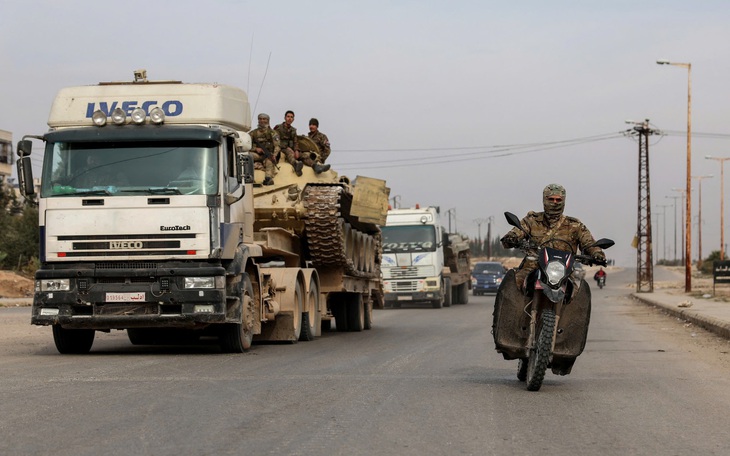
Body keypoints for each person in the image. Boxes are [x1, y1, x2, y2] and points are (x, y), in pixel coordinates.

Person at [500, 183, 606, 291]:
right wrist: (512, 238)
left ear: (563, 201)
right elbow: (517, 231)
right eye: (551, 199)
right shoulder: (532, 220)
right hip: (533, 266)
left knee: (576, 295)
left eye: (558, 200)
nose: (555, 202)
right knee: (512, 286)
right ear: (544, 199)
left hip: (563, 270)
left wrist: (597, 254)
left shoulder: (575, 225)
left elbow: (588, 243)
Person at [250, 113, 280, 185]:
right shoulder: (253, 133)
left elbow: (277, 146)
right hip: (257, 154)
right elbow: (247, 145)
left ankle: (268, 178)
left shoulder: (273, 133)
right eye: (260, 119)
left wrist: (274, 155)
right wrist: (255, 149)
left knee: (270, 162)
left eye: (264, 119)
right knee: (248, 156)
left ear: (268, 121)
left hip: (268, 155)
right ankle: (250, 178)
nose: (262, 121)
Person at [274, 110, 304, 176]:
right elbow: (276, 141)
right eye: (288, 116)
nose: (289, 118)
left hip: (291, 148)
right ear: (285, 118)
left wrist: (296, 150)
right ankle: (295, 165)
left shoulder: (293, 130)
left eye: (291, 117)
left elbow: (295, 141)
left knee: (304, 155)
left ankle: (314, 165)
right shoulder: (278, 128)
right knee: (289, 153)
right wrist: (286, 147)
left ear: (293, 119)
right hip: (280, 147)